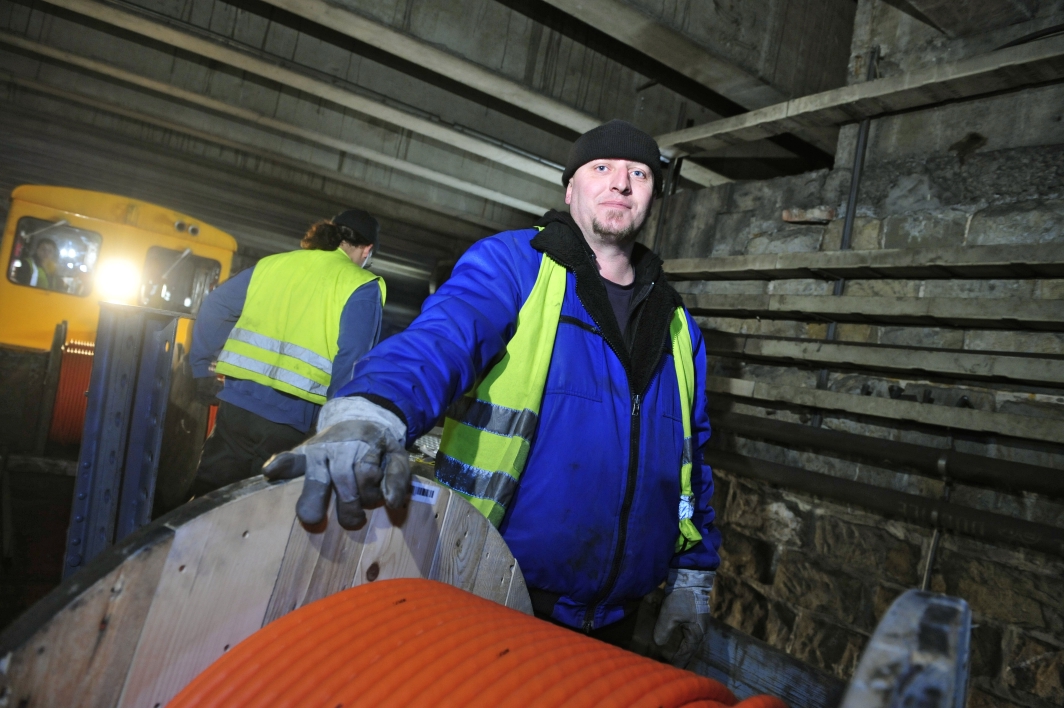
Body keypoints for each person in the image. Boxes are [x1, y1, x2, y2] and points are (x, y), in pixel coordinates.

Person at [264, 121, 720, 667]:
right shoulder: (516, 266)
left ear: (652, 197)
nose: (620, 183)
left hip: (618, 627)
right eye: (602, 168)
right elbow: (443, 338)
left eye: (638, 174)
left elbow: (693, 460)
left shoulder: (678, 326)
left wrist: (693, 576)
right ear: (570, 188)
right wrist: (372, 410)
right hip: (494, 596)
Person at [188, 209, 386, 498]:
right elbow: (352, 358)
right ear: (367, 250)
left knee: (205, 502)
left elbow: (216, 306)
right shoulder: (360, 285)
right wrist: (335, 423)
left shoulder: (273, 265)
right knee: (262, 513)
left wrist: (200, 367)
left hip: (236, 408)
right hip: (293, 425)